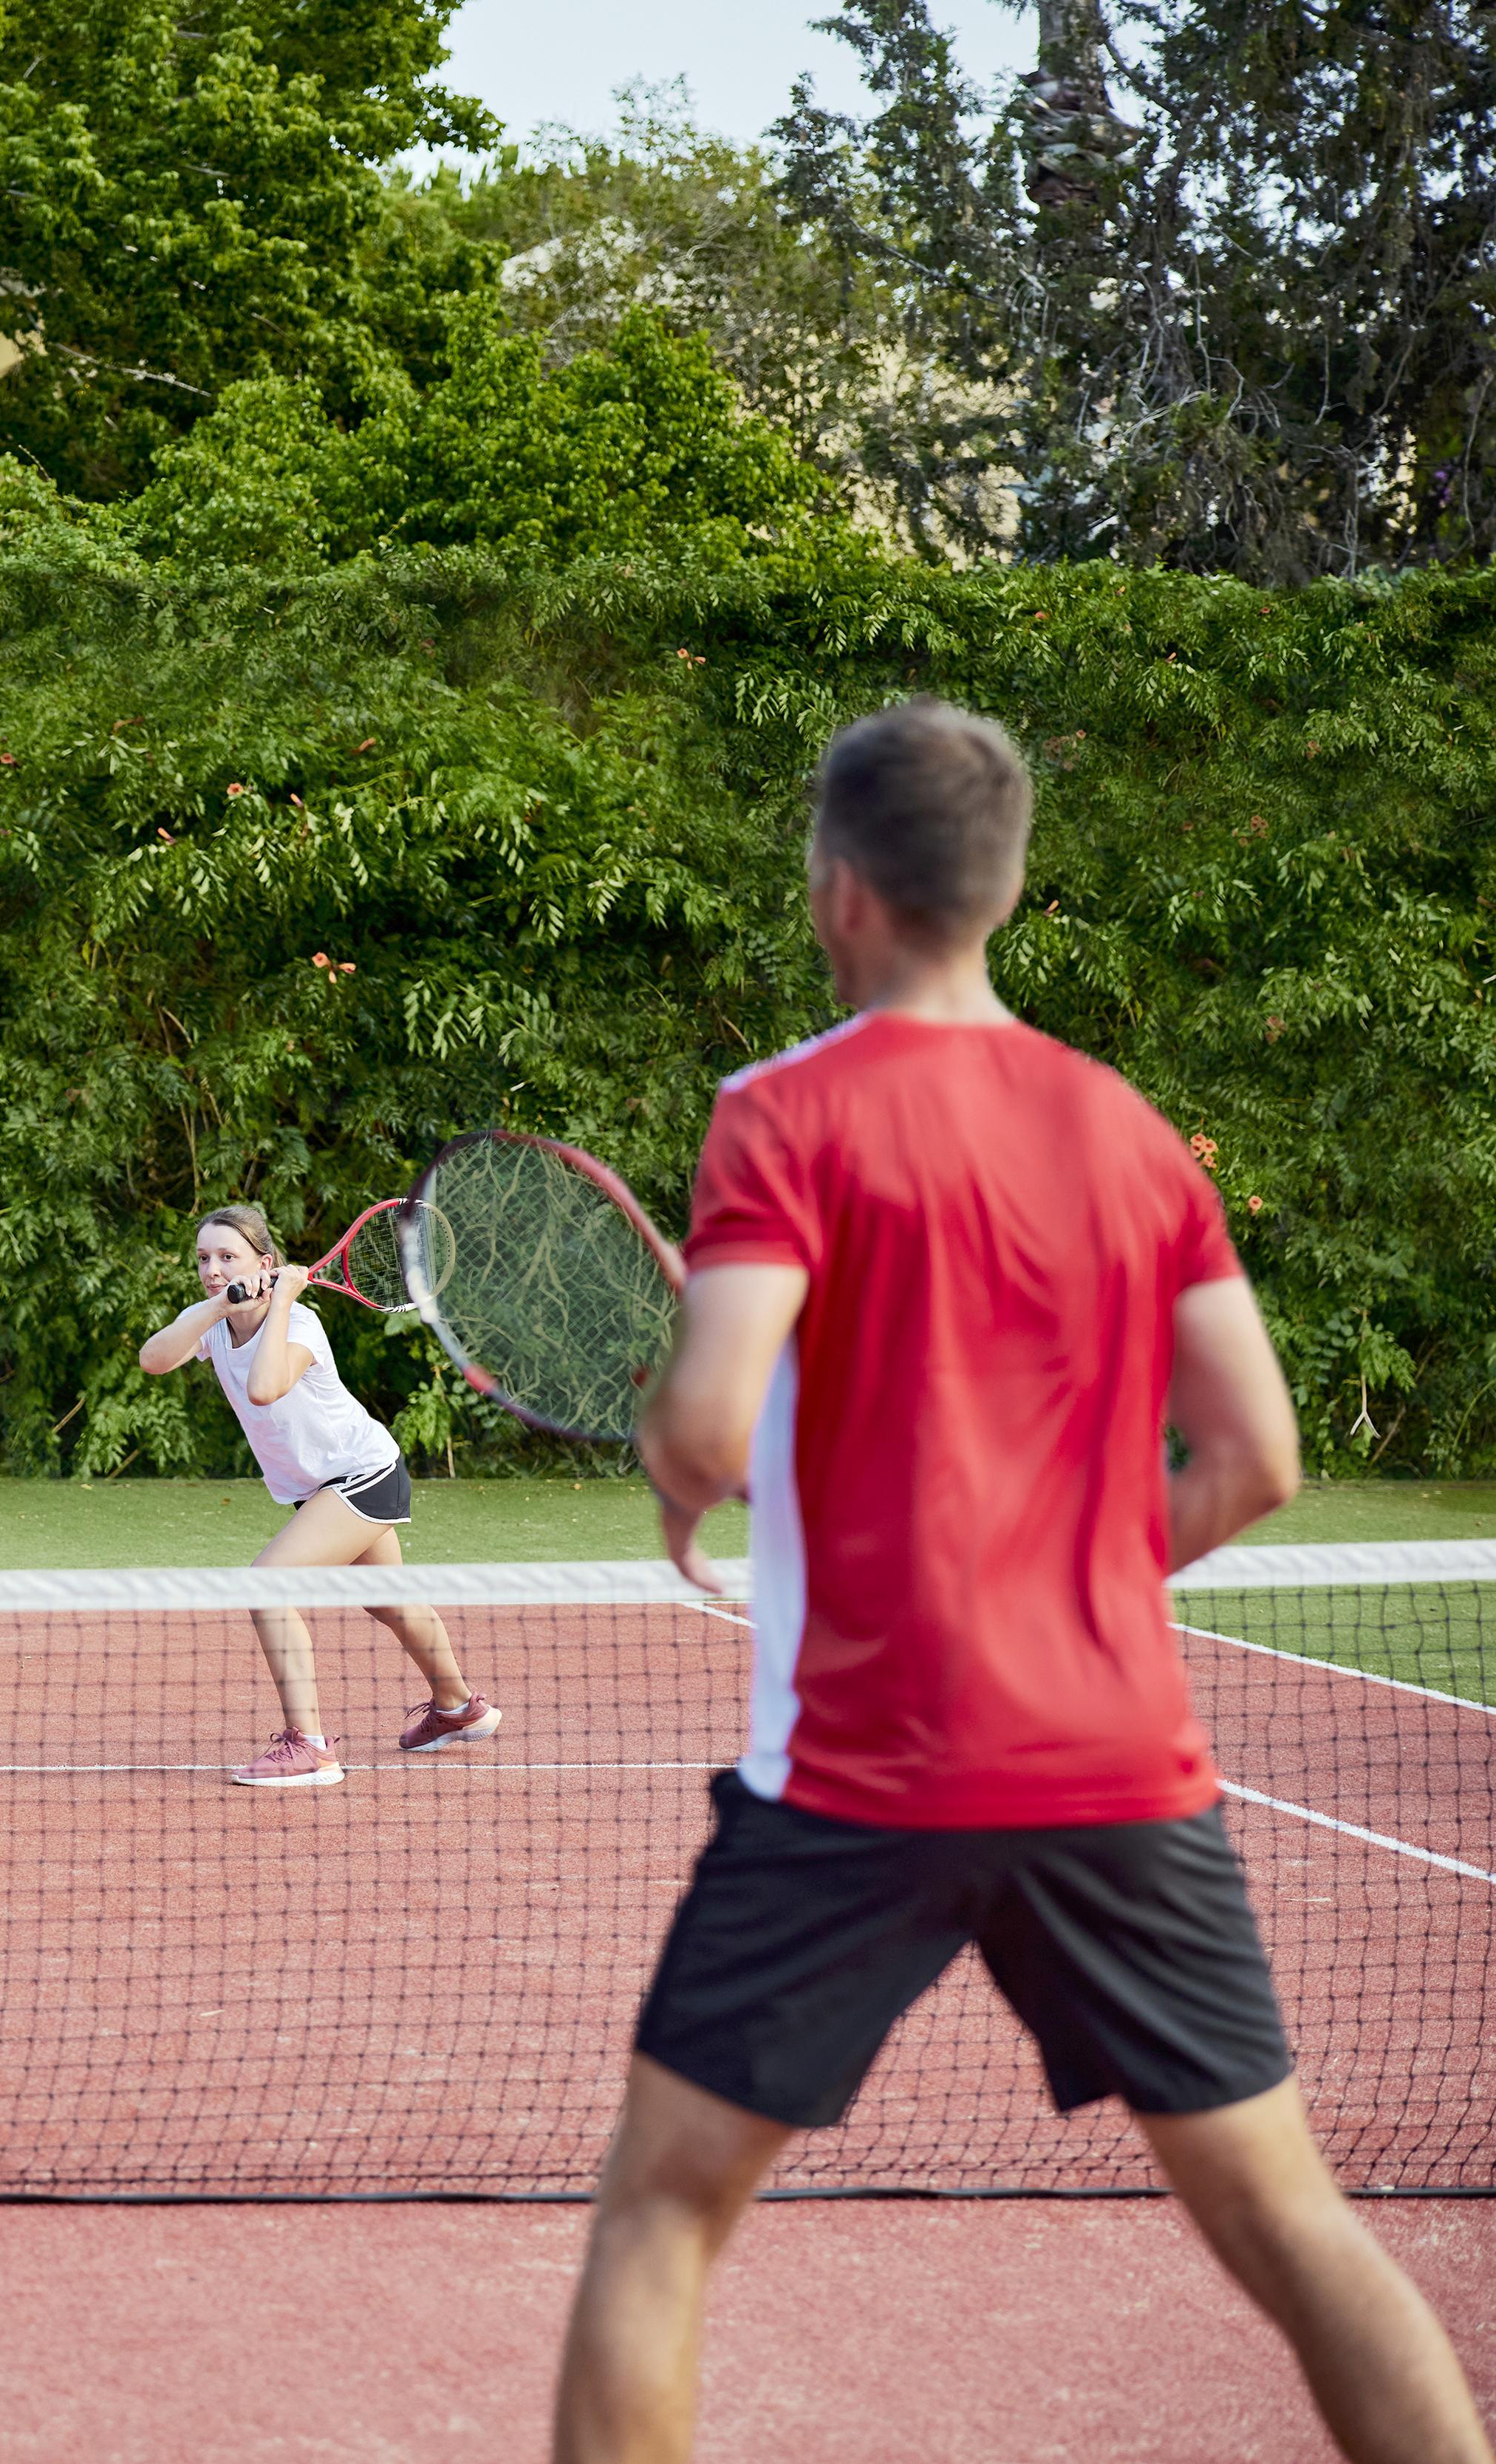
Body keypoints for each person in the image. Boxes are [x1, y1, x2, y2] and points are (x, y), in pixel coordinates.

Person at [556, 700, 1490, 2464]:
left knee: (660, 2218)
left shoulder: (784, 1114)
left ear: (840, 890)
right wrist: (1074, 1572)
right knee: (1296, 2230)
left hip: (855, 1776)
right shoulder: (1126, 1128)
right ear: (998, 889)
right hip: (1115, 1770)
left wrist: (686, 1449)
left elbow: (700, 1417)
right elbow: (1259, 1456)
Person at [136, 1207, 498, 1787]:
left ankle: (310, 1746)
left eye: (227, 1256)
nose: (212, 1267)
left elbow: (263, 1388)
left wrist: (280, 1301)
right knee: (387, 1601)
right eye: (204, 1257)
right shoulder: (213, 1318)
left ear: (265, 1262)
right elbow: (153, 1359)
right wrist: (217, 1304)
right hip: (324, 1487)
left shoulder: (299, 1325)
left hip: (363, 1475)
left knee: (266, 1582)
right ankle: (459, 1707)